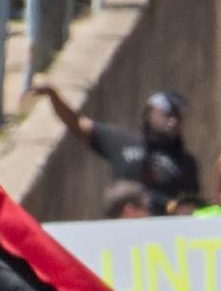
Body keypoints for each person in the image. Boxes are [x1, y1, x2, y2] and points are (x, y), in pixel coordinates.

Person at [31, 80, 201, 204]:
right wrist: (53, 95)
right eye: (167, 114)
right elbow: (75, 122)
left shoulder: (185, 162)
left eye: (177, 117)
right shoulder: (120, 140)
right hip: (121, 231)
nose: (172, 121)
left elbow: (189, 207)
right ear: (150, 113)